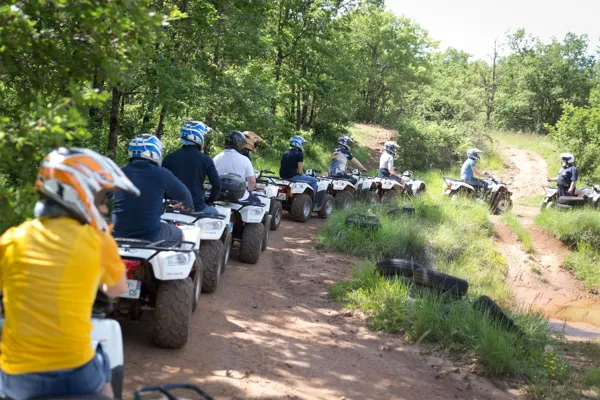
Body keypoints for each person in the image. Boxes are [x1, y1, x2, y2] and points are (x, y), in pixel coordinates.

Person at [0, 147, 138, 400]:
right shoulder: (99, 241)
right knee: (103, 367)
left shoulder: (11, 239)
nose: (105, 210)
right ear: (79, 193)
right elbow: (117, 289)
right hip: (75, 370)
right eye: (102, 200)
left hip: (18, 378)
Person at [112, 134, 193, 244]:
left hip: (117, 235)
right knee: (180, 234)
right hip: (150, 236)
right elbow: (186, 195)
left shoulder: (118, 173)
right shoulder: (162, 173)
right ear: (154, 152)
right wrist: (186, 205)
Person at [163, 121, 220, 215]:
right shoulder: (205, 159)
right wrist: (209, 201)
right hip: (196, 207)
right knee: (218, 215)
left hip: (171, 207)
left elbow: (161, 183)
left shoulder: (169, 157)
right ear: (198, 136)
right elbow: (217, 185)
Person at [213, 131, 261, 202]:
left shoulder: (216, 158)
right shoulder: (245, 160)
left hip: (219, 195)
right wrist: (249, 191)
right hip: (240, 197)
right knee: (258, 202)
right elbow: (252, 181)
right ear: (238, 144)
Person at [279, 135, 319, 206]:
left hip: (282, 176)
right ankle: (313, 202)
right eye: (302, 143)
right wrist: (304, 175)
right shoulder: (299, 154)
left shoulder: (285, 153)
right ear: (298, 143)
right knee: (314, 181)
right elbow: (300, 172)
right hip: (291, 177)